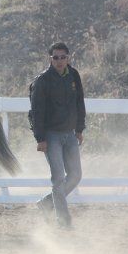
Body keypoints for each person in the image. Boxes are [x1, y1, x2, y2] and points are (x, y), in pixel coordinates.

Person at [30, 42, 86, 229]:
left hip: (70, 134)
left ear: (68, 57)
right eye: (56, 57)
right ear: (50, 59)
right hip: (51, 135)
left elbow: (80, 103)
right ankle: (64, 222)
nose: (60, 61)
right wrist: (40, 138)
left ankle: (46, 204)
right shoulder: (42, 81)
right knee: (58, 178)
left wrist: (79, 129)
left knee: (76, 175)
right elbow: (36, 112)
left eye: (63, 57)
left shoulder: (74, 76)